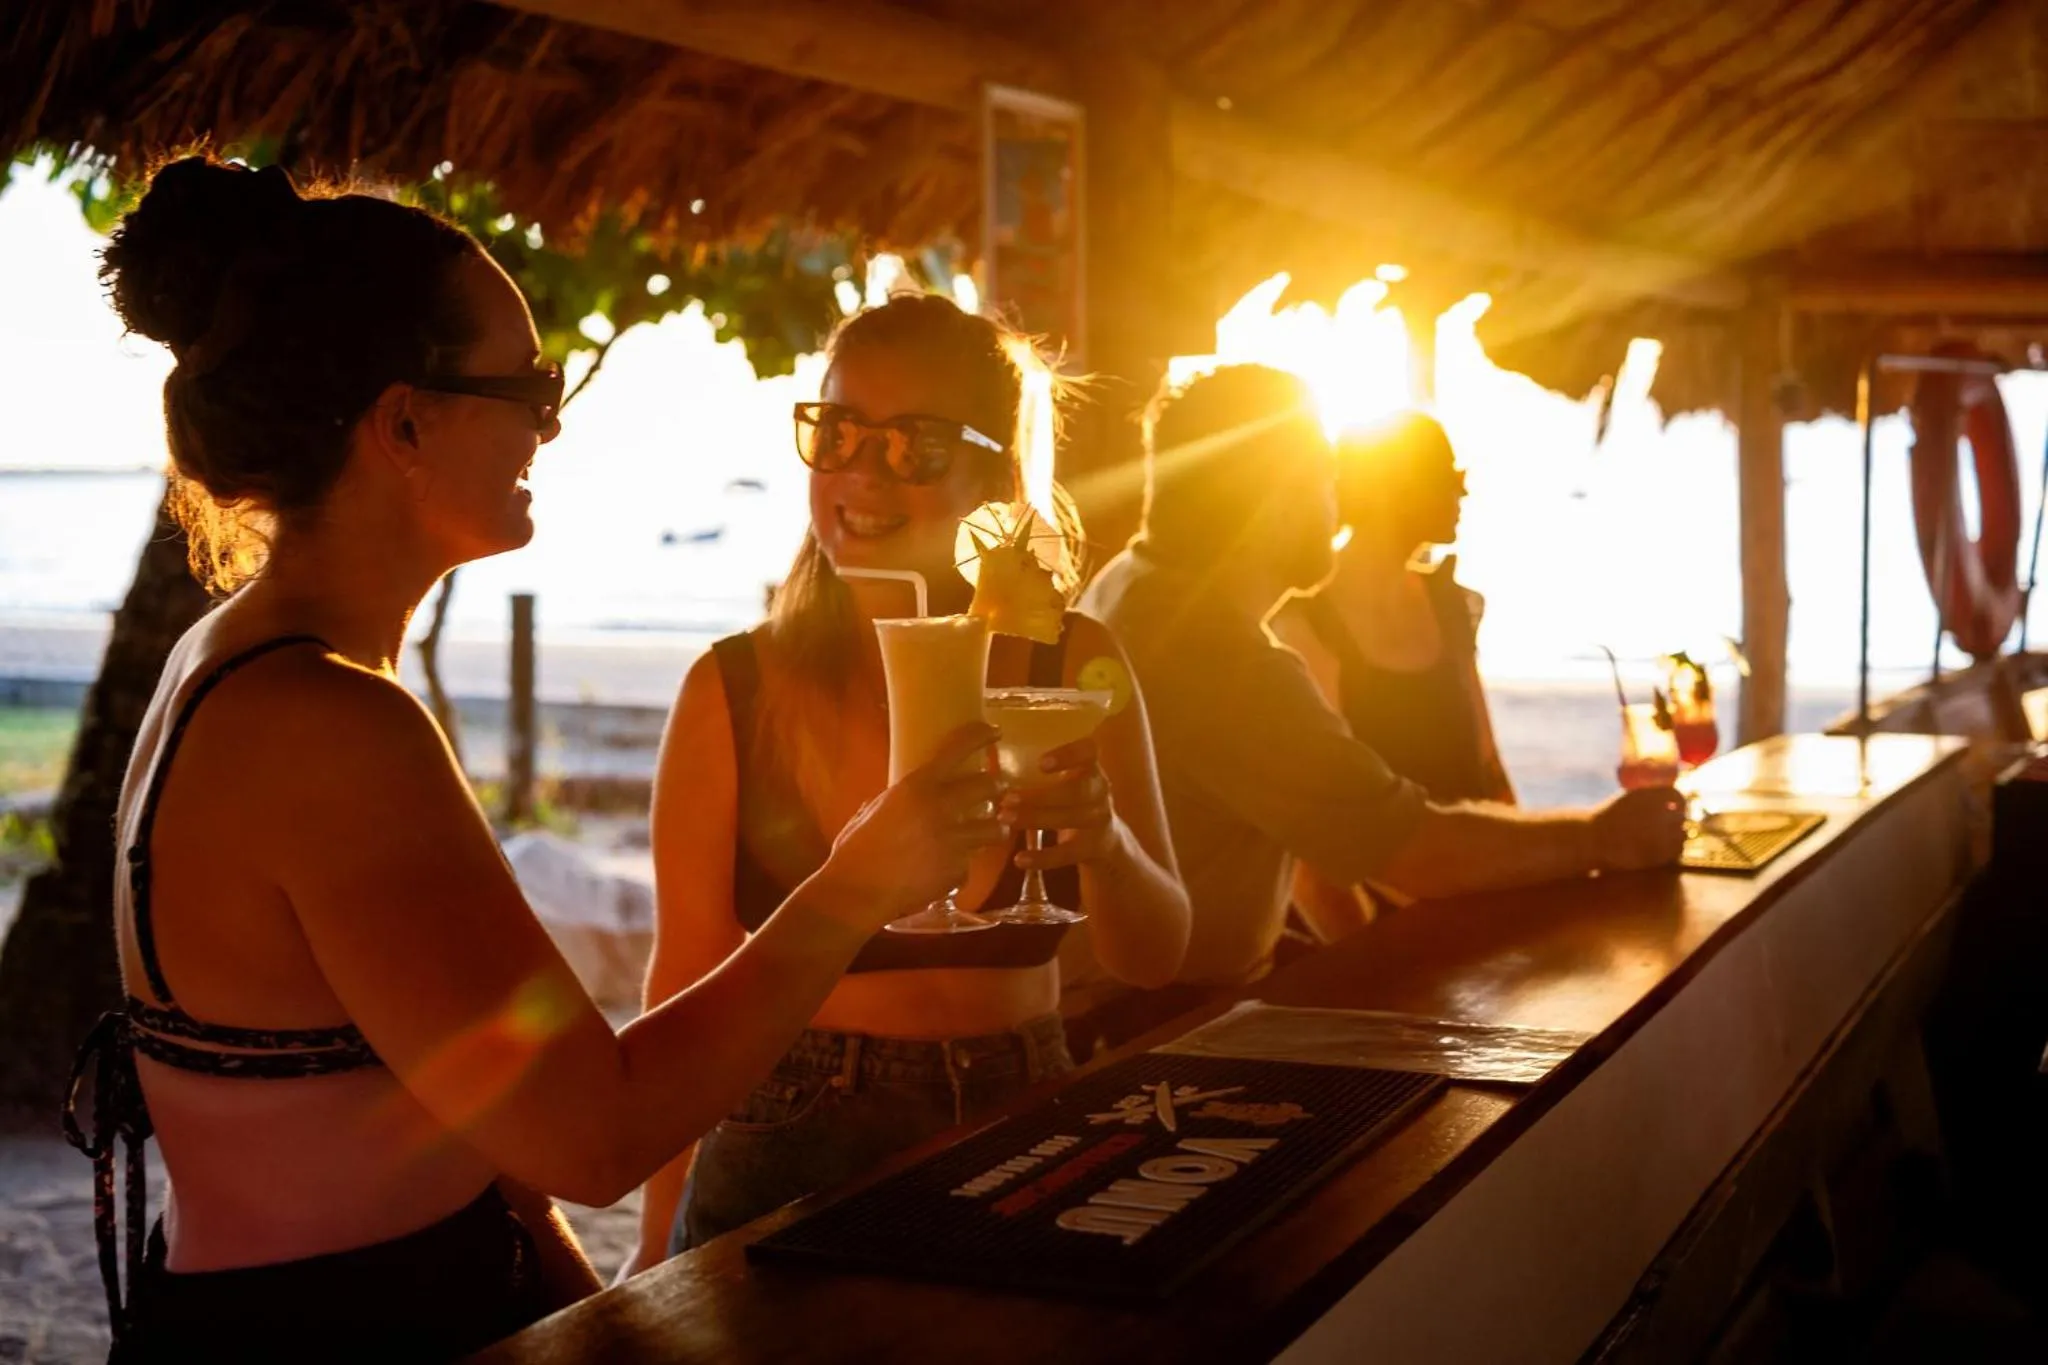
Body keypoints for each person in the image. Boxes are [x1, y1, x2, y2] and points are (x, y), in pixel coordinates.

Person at [67, 158, 1006, 1363]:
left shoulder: (245, 662)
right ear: (405, 424)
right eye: (526, 385)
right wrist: (855, 888)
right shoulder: (324, 723)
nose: (549, 426)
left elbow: (465, 1105)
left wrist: (582, 1299)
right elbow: (593, 1133)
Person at [630, 294, 1189, 1270]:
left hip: (1024, 1109)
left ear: (996, 473)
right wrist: (652, 1238)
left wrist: (1106, 845)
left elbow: (1156, 954)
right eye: (836, 431)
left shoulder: (1070, 664)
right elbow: (683, 985)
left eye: (914, 445)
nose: (860, 470)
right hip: (786, 1131)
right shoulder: (735, 690)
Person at [1076, 364, 1685, 1009]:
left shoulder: (1131, 587)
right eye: (1324, 478)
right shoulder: (1219, 658)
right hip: (1167, 1019)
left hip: (1147, 995)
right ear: (1276, 500)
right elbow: (1412, 851)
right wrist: (1600, 837)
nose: (1338, 506)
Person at [1267, 411, 1514, 940]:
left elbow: (1489, 772)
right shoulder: (1307, 620)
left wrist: (1521, 890)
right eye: (1448, 476)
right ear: (1395, 487)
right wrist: (1380, 951)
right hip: (1381, 927)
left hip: (1473, 900)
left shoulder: (1451, 603)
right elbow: (1312, 844)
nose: (1462, 493)